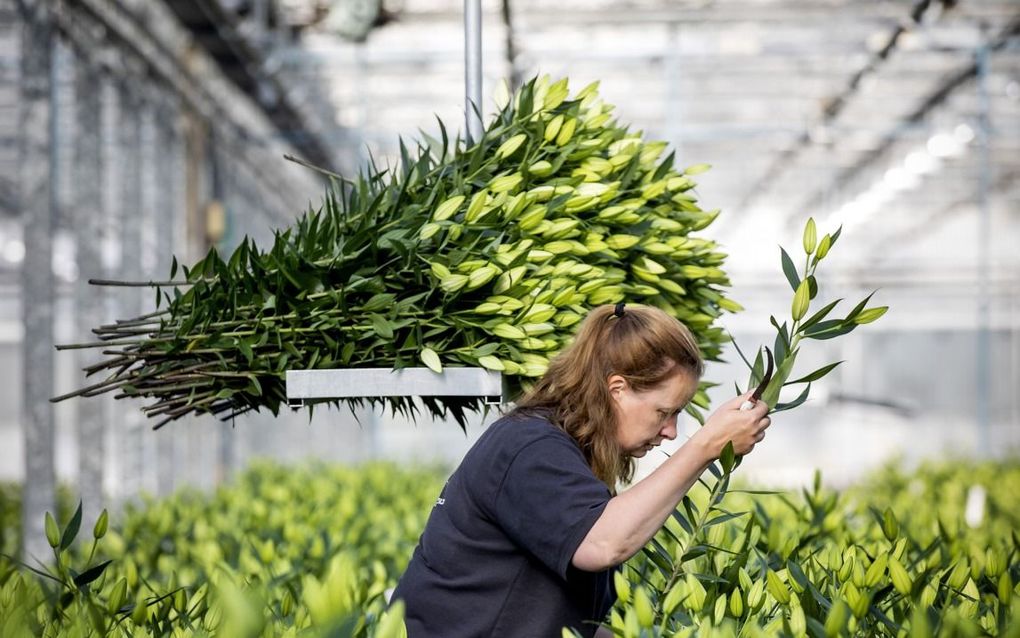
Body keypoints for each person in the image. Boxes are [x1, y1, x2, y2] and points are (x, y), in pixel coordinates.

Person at [391, 302, 771, 637]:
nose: (670, 431)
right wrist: (706, 446)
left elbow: (554, 613)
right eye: (664, 412)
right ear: (617, 388)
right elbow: (603, 543)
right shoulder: (531, 448)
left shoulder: (561, 449)